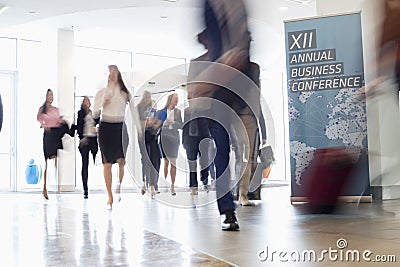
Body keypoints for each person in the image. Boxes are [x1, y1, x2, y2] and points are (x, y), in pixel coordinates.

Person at [188, 0, 253, 231]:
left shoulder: (236, 20)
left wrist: (211, 77)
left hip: (236, 96)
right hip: (215, 105)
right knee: (222, 154)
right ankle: (227, 210)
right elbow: (192, 93)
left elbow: (240, 53)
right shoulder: (198, 63)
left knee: (240, 154)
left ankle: (237, 198)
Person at [93, 65, 131, 208]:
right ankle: (109, 195)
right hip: (106, 128)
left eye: (114, 72)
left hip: (120, 127)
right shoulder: (101, 92)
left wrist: (139, 129)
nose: (112, 75)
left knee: (121, 161)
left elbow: (133, 108)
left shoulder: (124, 92)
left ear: (118, 74)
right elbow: (95, 114)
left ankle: (119, 185)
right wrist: (103, 102)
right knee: (107, 163)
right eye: (110, 73)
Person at [37, 89, 75, 199]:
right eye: (49, 95)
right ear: (46, 96)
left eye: (52, 95)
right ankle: (45, 188)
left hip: (56, 136)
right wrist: (44, 125)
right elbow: (39, 120)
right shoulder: (42, 109)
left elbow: (58, 121)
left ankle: (58, 188)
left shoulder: (55, 110)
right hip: (48, 136)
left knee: (57, 162)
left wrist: (62, 120)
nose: (51, 97)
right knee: (46, 163)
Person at [182, 101, 212, 195]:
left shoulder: (204, 110)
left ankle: (204, 179)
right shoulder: (187, 111)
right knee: (192, 164)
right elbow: (185, 126)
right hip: (190, 139)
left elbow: (208, 124)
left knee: (204, 161)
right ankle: (193, 186)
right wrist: (183, 140)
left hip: (203, 138)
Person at [159, 93, 183, 196]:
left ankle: (172, 186)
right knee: (165, 161)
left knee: (173, 162)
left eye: (178, 99)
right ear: (170, 100)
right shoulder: (162, 111)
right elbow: (157, 125)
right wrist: (164, 123)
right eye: (175, 99)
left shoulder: (178, 112)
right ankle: (165, 183)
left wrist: (173, 122)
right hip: (164, 138)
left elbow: (181, 125)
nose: (177, 100)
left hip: (174, 138)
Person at [77, 96, 99, 199]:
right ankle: (85, 188)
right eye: (86, 100)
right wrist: (83, 138)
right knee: (84, 164)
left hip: (93, 140)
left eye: (88, 100)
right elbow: (79, 128)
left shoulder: (94, 113)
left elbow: (99, 124)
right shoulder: (80, 113)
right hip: (84, 141)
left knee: (96, 161)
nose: (88, 102)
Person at [144, 101, 166, 197]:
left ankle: (154, 185)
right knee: (149, 163)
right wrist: (152, 123)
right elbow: (147, 124)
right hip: (147, 139)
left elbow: (157, 125)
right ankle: (150, 184)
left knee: (157, 162)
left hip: (155, 140)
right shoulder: (147, 113)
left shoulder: (159, 113)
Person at [135, 90, 153, 194]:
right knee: (145, 159)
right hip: (142, 135)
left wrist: (148, 123)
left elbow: (154, 120)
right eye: (146, 97)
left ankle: (150, 183)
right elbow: (138, 123)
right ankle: (144, 181)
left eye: (149, 97)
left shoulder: (152, 106)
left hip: (150, 135)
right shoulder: (138, 107)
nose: (148, 99)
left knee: (151, 159)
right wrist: (145, 123)